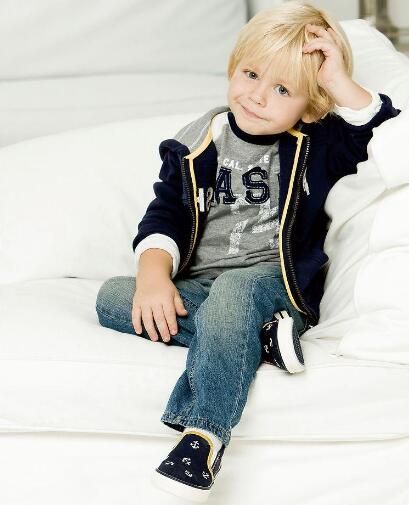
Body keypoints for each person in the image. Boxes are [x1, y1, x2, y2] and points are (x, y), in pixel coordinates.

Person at [95, 1, 400, 502]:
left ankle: (203, 439)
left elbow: (378, 126)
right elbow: (165, 213)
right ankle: (259, 340)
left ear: (309, 105)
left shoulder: (316, 144)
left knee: (235, 290)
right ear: (233, 67)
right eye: (251, 74)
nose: (258, 96)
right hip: (203, 285)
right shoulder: (198, 142)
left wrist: (336, 80)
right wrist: (153, 276)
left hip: (275, 284)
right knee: (112, 297)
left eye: (282, 90)